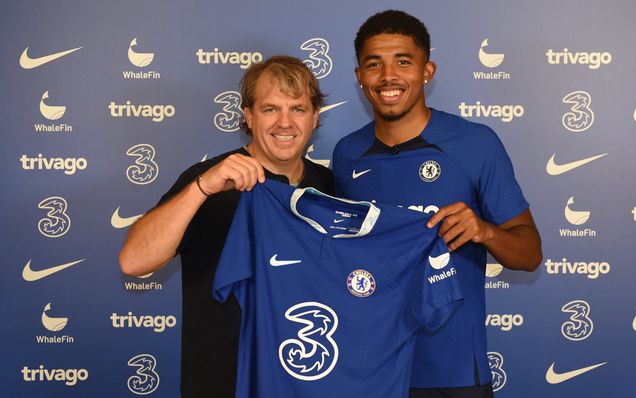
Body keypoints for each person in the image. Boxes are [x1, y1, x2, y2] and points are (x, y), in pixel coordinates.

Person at [332, 10, 542, 398]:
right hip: (370, 368)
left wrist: (485, 230)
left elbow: (529, 255)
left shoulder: (475, 144)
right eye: (374, 65)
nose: (388, 76)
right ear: (360, 76)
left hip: (454, 370)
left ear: (427, 71)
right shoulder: (347, 154)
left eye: (403, 62)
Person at [118, 55, 334, 398]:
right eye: (270, 109)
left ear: (315, 117)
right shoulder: (208, 182)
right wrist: (202, 188)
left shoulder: (328, 187)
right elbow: (133, 262)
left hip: (304, 380)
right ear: (248, 115)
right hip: (222, 383)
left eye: (297, 108)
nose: (285, 122)